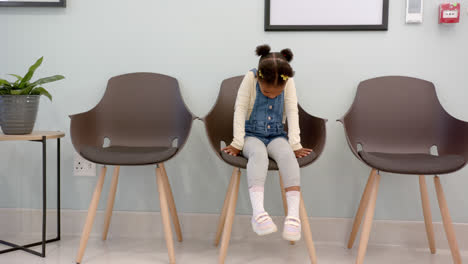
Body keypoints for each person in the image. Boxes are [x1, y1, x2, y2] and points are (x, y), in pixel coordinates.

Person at [222, 44, 312, 241]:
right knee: (258, 154)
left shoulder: (288, 81)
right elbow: (239, 108)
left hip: (277, 135)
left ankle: (293, 216)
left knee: (288, 156)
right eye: (266, 91)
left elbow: (291, 111)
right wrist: (238, 142)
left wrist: (295, 144)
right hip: (250, 134)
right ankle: (258, 213)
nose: (272, 95)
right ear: (260, 79)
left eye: (276, 93)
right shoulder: (251, 78)